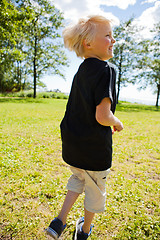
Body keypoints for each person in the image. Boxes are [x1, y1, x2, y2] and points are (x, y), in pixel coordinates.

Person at [45, 15, 123, 240]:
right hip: (94, 151)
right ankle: (84, 231)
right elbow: (102, 116)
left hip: (73, 147)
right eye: (108, 35)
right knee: (94, 190)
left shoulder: (81, 70)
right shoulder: (106, 69)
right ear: (88, 43)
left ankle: (59, 221)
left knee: (78, 179)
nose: (113, 40)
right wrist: (116, 121)